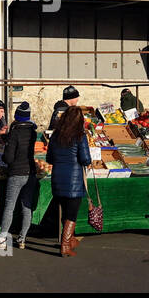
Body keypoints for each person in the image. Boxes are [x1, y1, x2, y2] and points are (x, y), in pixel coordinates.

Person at [46, 105, 91, 257]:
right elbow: (85, 159)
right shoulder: (80, 136)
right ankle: (65, 245)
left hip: (57, 178)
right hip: (74, 180)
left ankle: (70, 240)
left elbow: (49, 158)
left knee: (65, 212)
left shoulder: (56, 135)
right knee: (71, 214)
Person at [0, 102, 39, 251]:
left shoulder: (15, 132)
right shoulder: (33, 131)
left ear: (17, 116)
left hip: (16, 173)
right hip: (30, 172)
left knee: (9, 206)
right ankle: (22, 239)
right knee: (26, 207)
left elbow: (9, 158)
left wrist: (6, 144)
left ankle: (1, 239)